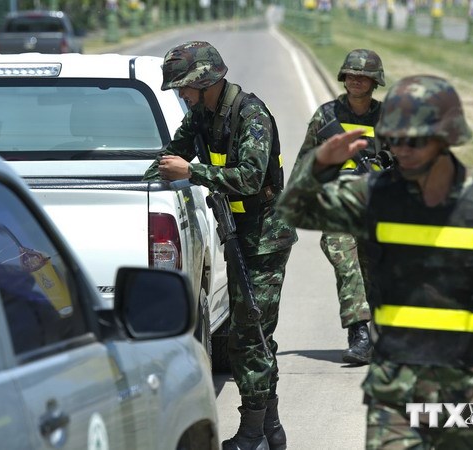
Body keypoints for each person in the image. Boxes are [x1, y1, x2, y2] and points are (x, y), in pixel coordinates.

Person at [277, 74, 473, 449]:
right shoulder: (375, 197)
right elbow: (295, 210)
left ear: (447, 138)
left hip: (471, 391)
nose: (403, 149)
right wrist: (320, 162)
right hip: (395, 396)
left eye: (415, 140)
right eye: (396, 139)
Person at [143, 41, 297, 450]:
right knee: (251, 334)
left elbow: (248, 177)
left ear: (205, 79)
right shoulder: (202, 115)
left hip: (266, 235)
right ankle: (270, 431)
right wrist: (147, 175)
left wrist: (191, 171)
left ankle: (254, 432)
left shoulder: (251, 115)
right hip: (238, 232)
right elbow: (171, 153)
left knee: (251, 335)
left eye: (184, 87)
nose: (181, 95)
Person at [295, 48, 390, 365]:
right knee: (346, 266)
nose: (356, 81)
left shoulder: (387, 118)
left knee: (373, 272)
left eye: (363, 76)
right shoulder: (326, 116)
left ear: (374, 81)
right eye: (351, 75)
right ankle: (359, 336)